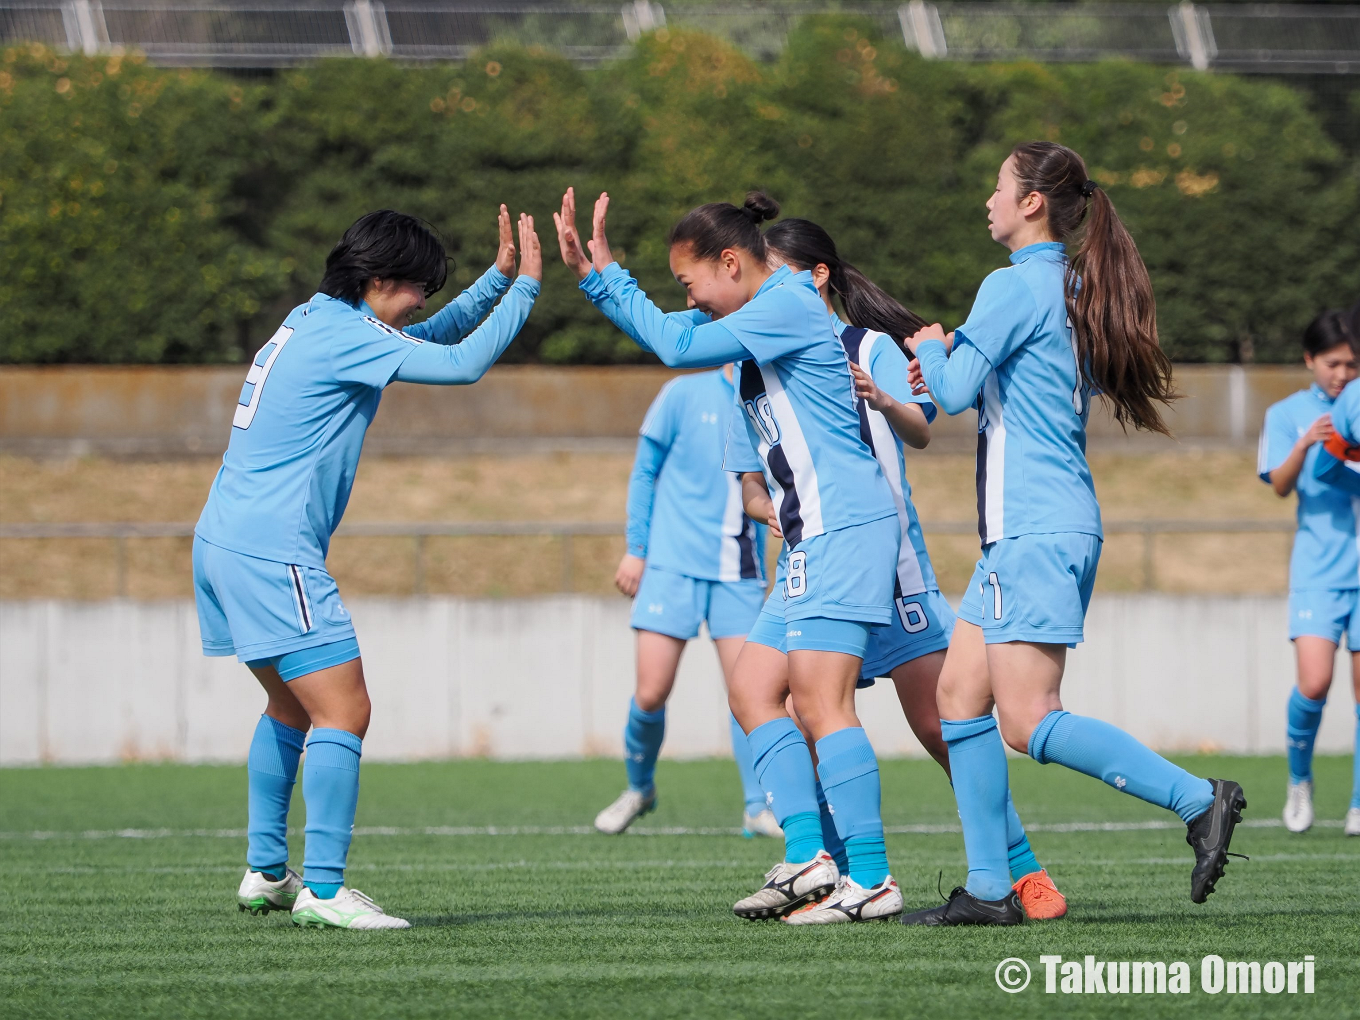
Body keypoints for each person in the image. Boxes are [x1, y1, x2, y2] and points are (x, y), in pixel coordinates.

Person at [898, 142, 1246, 926]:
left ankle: (1199, 799)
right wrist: (951, 360)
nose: (987, 201)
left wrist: (930, 349)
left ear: (1031, 204)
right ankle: (990, 889)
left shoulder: (1011, 285)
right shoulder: (1075, 286)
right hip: (1030, 532)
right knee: (958, 696)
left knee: (1026, 720)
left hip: (1034, 530)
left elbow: (951, 394)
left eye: (997, 188)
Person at [555, 187, 905, 923]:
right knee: (752, 691)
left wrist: (611, 275)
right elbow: (671, 328)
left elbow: (674, 345)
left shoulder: (781, 303)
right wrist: (597, 277)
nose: (689, 299)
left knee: (819, 701)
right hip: (812, 536)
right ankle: (810, 857)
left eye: (691, 283)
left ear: (730, 262)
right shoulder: (754, 308)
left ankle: (868, 877)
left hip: (845, 527)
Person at [194, 207, 542, 929]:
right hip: (271, 548)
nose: (422, 300)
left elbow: (419, 339)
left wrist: (495, 280)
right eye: (417, 286)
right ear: (380, 279)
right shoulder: (344, 335)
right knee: (344, 710)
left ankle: (266, 871)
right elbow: (462, 364)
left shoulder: (315, 320)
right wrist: (531, 288)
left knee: (291, 707)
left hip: (223, 539)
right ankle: (322, 889)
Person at [757, 217, 1067, 920]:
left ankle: (1024, 873)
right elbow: (764, 466)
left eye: (776, 273)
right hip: (814, 561)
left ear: (818, 276)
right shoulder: (765, 352)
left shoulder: (870, 346)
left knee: (940, 728)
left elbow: (923, 429)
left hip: (891, 566)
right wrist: (762, 502)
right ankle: (837, 868)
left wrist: (885, 397)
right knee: (788, 703)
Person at [593, 365, 777, 838]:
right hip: (670, 567)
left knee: (750, 694)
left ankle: (758, 806)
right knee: (651, 692)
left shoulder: (775, 391)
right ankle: (640, 787)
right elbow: (644, 473)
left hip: (739, 572)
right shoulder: (681, 393)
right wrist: (637, 549)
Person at [1285, 310, 1360, 837]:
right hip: (1317, 569)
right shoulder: (1286, 412)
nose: (1342, 374)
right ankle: (1298, 779)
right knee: (1314, 682)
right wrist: (1308, 443)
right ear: (1311, 360)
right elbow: (1279, 485)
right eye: (1333, 363)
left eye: (1352, 365)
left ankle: (1358, 802)